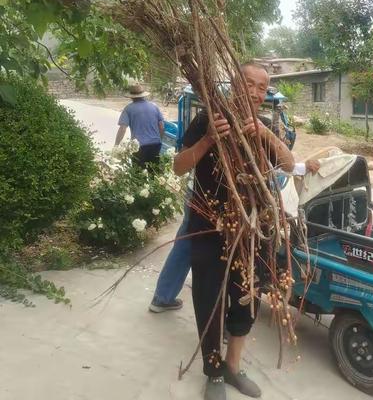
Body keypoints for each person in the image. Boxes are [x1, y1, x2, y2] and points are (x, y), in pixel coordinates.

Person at [173, 63, 294, 400]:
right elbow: (178, 165)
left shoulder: (265, 127)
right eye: (249, 84)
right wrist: (210, 138)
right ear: (235, 85)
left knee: (247, 296)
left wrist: (266, 134)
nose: (255, 93)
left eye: (262, 87)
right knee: (209, 296)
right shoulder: (208, 118)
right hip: (209, 226)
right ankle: (213, 372)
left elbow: (287, 163)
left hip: (249, 228)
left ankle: (233, 366)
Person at [148, 160, 320, 313]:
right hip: (214, 198)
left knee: (186, 243)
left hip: (198, 192)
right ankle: (220, 323)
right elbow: (265, 164)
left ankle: (163, 297)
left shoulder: (212, 126)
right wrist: (300, 167)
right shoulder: (239, 130)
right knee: (218, 256)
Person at [115, 84, 165, 169]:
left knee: (138, 175)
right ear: (143, 95)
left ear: (131, 97)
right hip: (155, 145)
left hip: (138, 147)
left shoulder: (128, 109)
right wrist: (159, 139)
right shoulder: (154, 107)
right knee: (154, 174)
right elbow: (161, 126)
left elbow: (122, 128)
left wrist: (116, 145)